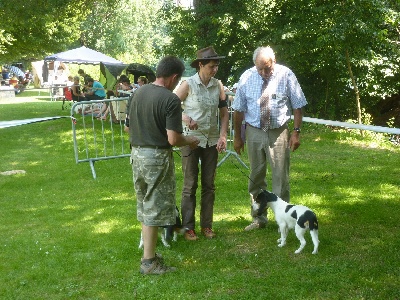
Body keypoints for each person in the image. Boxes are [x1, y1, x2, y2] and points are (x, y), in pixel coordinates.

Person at [127, 56, 200, 275]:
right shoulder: (170, 100)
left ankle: (149, 255)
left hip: (136, 154)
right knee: (154, 207)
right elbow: (173, 139)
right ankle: (148, 262)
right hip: (156, 158)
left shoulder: (137, 93)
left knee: (145, 204)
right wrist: (191, 139)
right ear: (174, 77)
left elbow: (127, 129)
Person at [232, 46, 307, 231]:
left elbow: (298, 106)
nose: (264, 72)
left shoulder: (286, 75)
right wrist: (238, 137)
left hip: (278, 131)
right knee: (256, 176)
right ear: (254, 65)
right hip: (254, 131)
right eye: (260, 69)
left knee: (280, 177)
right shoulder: (246, 77)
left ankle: (284, 220)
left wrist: (296, 132)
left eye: (267, 67)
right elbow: (239, 110)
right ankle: (259, 218)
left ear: (274, 61)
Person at [175, 46, 229, 240]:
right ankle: (188, 228)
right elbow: (170, 106)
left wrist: (223, 136)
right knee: (190, 185)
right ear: (200, 65)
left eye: (216, 66)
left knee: (209, 185)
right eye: (211, 66)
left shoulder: (218, 85)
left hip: (211, 140)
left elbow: (224, 113)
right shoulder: (188, 84)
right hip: (190, 140)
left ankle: (207, 225)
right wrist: (185, 118)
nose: (214, 70)